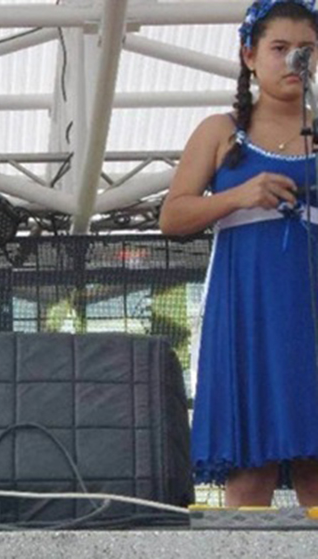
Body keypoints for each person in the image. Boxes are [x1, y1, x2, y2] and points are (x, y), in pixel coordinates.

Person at [160, 0, 318, 507]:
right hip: (248, 307)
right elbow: (172, 217)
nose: (295, 60)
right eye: (280, 48)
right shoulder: (220, 131)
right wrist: (239, 195)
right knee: (250, 469)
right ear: (250, 55)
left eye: (307, 50)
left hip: (310, 305)